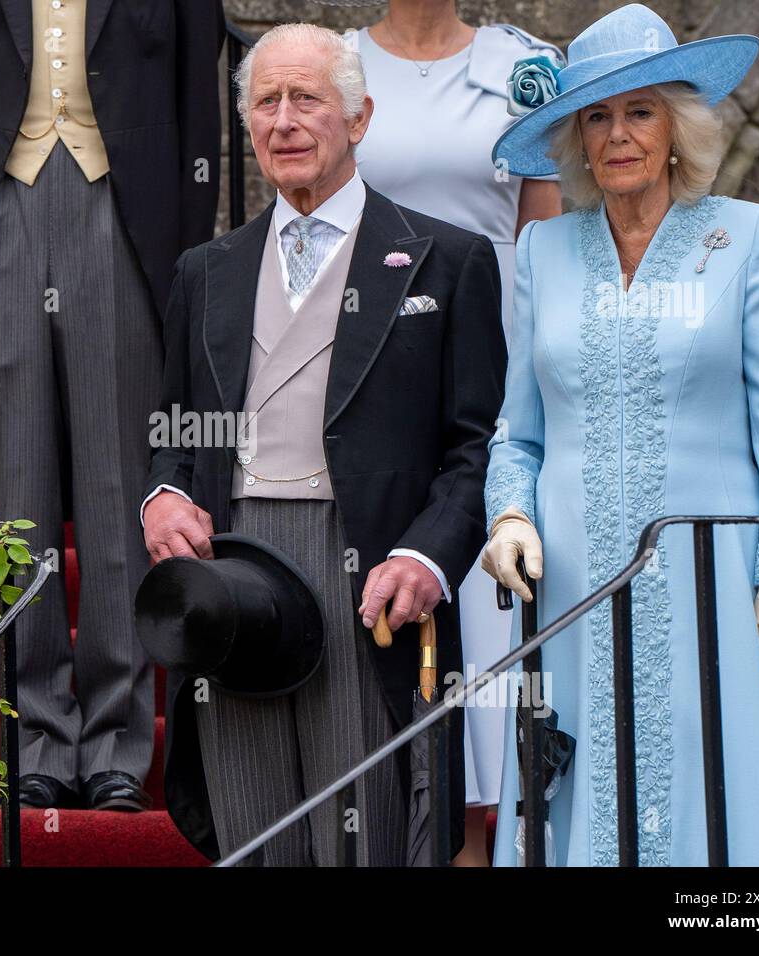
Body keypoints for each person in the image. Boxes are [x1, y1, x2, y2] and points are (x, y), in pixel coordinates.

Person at [482, 3, 759, 866]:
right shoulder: (542, 254)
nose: (618, 135)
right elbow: (516, 435)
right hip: (572, 588)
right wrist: (507, 517)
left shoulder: (746, 237)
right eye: (598, 116)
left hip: (712, 581)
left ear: (677, 126)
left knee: (722, 802)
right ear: (575, 138)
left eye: (639, 111)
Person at [143, 23, 506, 864]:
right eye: (265, 102)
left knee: (364, 834)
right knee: (253, 829)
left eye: (306, 98)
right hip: (231, 567)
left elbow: (475, 446)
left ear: (359, 118)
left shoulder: (447, 262)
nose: (284, 121)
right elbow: (168, 429)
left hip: (369, 571)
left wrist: (428, 556)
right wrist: (163, 496)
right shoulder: (206, 270)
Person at [0, 0, 224, 812]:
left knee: (122, 493)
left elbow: (196, 102)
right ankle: (36, 735)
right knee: (17, 497)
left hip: (123, 214)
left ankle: (118, 742)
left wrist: (186, 267)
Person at [319, 0, 563, 866]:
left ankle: (473, 838)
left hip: (490, 366)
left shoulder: (525, 65)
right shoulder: (334, 62)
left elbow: (544, 237)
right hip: (368, 374)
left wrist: (542, 375)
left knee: (483, 605)